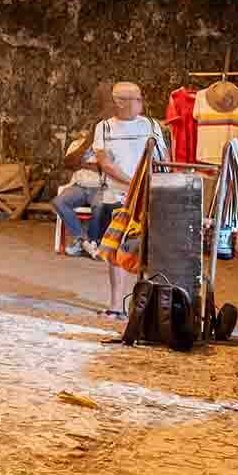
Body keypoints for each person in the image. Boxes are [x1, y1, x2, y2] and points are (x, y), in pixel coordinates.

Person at [93, 81, 167, 317]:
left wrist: (152, 184)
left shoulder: (151, 125)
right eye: (137, 98)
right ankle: (116, 305)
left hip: (148, 195)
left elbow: (163, 159)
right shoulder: (104, 128)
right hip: (118, 196)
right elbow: (105, 163)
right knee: (118, 249)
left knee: (149, 249)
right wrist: (132, 182)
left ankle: (145, 304)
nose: (141, 102)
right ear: (120, 102)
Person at [54, 129, 107, 258]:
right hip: (79, 186)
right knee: (59, 202)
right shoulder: (76, 144)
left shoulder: (105, 145)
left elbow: (103, 167)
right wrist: (85, 147)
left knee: (100, 206)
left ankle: (93, 241)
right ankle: (84, 241)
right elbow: (68, 163)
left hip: (99, 187)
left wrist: (82, 164)